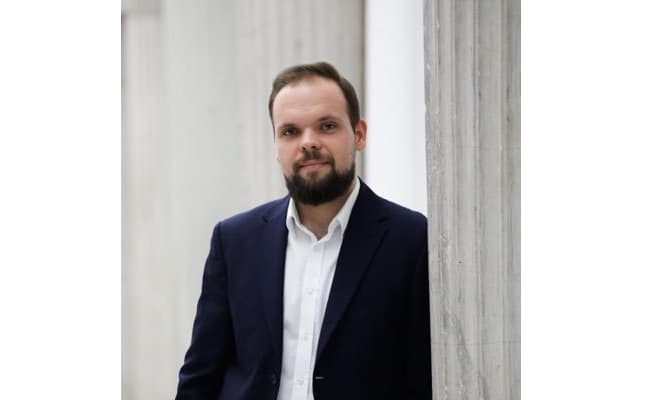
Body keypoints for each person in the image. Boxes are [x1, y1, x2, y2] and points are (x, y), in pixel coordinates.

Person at [175, 62, 431, 400]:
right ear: (276, 145)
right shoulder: (234, 240)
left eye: (327, 126)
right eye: (290, 132)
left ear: (359, 134)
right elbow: (200, 376)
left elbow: (423, 378)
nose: (308, 143)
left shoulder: (411, 239)